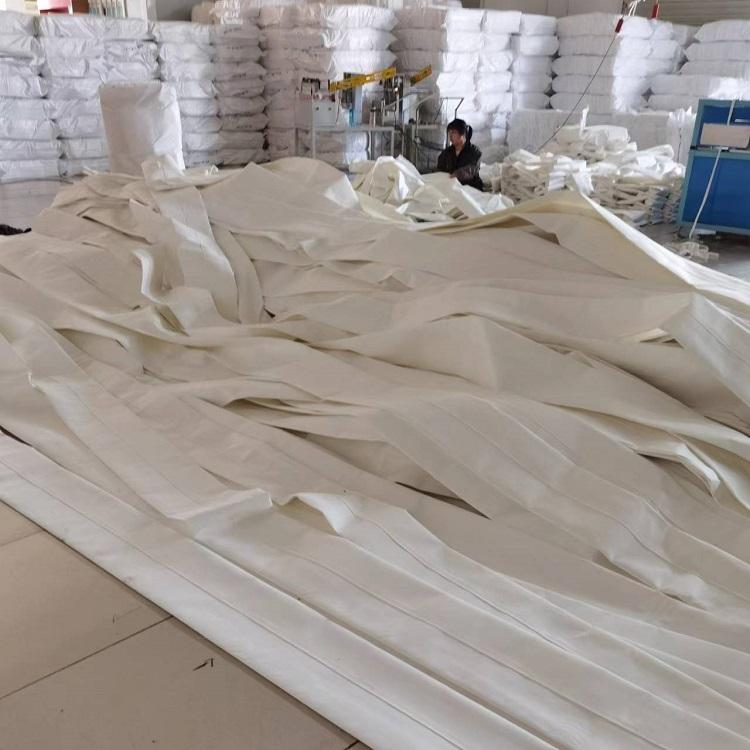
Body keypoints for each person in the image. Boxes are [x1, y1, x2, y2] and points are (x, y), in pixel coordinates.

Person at [436, 118, 483, 191]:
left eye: (453, 132)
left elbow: (471, 169)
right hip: (452, 188)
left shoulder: (474, 152)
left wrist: (457, 174)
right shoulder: (446, 153)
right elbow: (440, 170)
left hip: (470, 189)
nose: (450, 136)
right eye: (449, 133)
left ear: (463, 134)